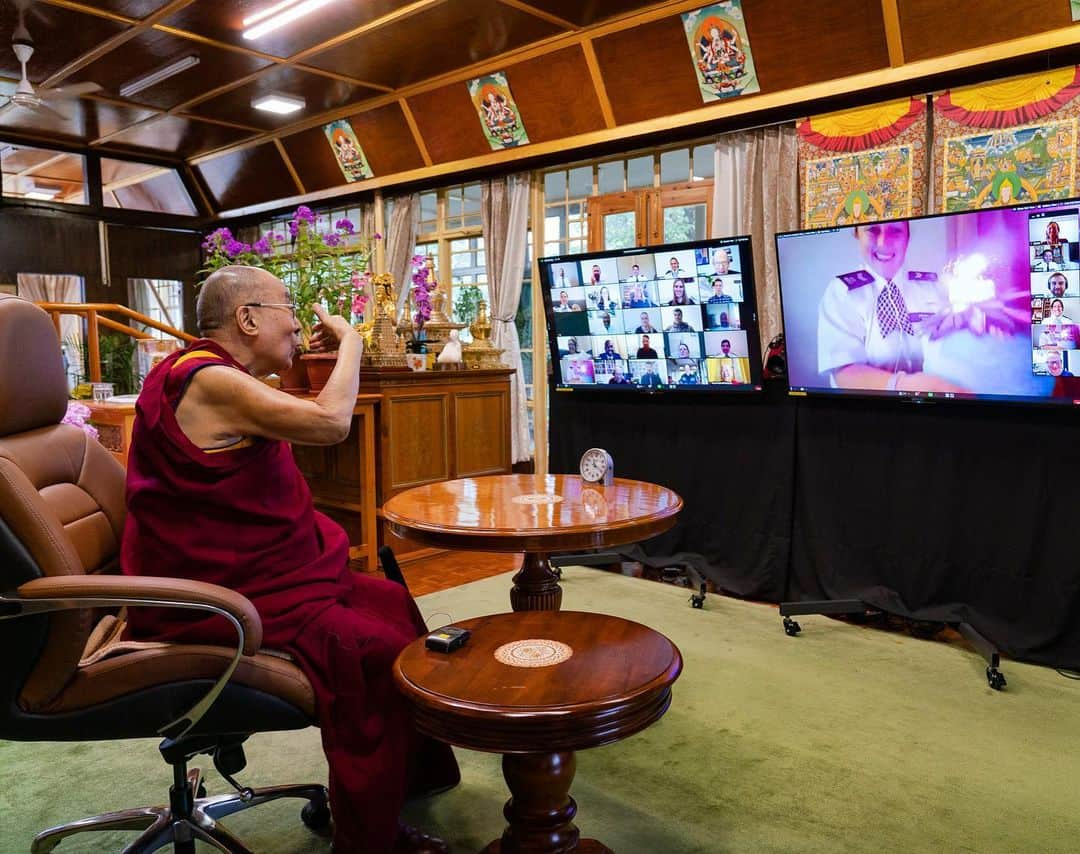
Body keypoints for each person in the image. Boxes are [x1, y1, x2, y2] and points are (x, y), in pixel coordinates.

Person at [121, 266, 458, 853]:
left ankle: (405, 780)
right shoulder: (206, 381)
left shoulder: (212, 375)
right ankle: (370, 837)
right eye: (290, 313)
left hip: (264, 574)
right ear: (247, 319)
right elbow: (330, 423)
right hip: (218, 597)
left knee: (394, 602)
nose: (302, 328)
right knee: (371, 655)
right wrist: (352, 339)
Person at [817, 220, 965, 392]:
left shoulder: (934, 287)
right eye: (872, 230)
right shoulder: (842, 293)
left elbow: (955, 350)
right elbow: (843, 371)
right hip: (867, 411)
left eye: (895, 231)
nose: (883, 243)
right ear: (857, 234)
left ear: (907, 237)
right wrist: (906, 386)